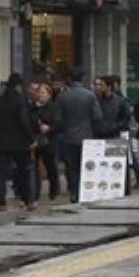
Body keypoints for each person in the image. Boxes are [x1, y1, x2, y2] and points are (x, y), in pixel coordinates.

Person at [0, 73, 36, 210]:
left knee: (0, 174)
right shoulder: (20, 101)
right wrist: (31, 139)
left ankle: (1, 203)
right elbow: (24, 122)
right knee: (23, 172)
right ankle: (27, 200)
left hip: (0, 143)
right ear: (19, 86)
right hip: (19, 143)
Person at [53, 71, 100, 202]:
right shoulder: (90, 95)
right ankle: (85, 191)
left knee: (71, 166)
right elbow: (97, 116)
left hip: (69, 136)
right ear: (82, 78)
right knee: (85, 165)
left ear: (69, 79)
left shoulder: (62, 96)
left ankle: (74, 192)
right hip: (87, 135)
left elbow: (57, 119)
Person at [30, 81, 61, 203]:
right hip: (35, 141)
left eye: (43, 92)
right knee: (34, 168)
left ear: (49, 95)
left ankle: (54, 190)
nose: (41, 95)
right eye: (39, 92)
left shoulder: (54, 107)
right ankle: (35, 193)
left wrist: (49, 128)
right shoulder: (32, 107)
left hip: (49, 141)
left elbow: (59, 123)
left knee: (51, 167)